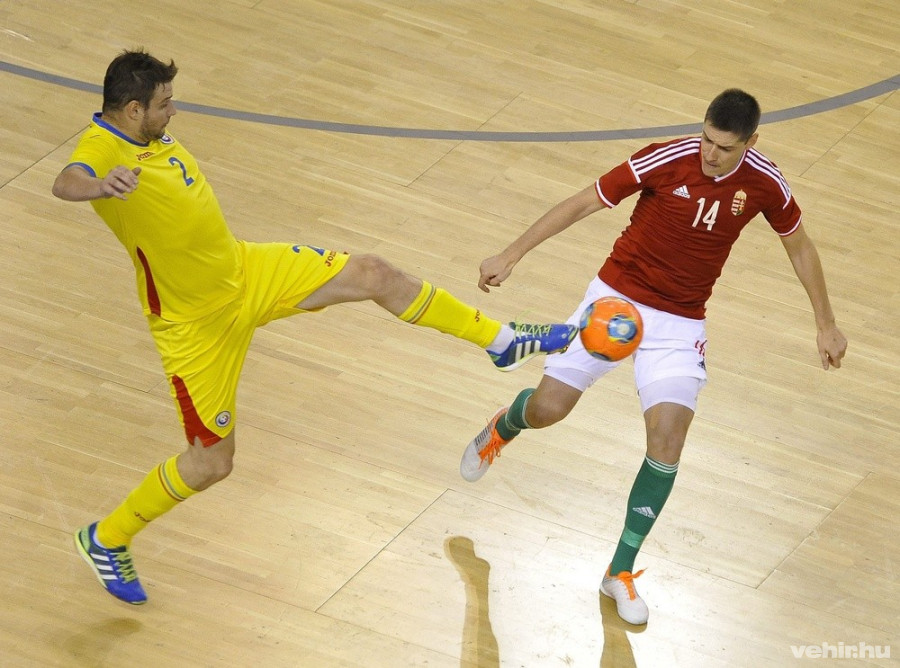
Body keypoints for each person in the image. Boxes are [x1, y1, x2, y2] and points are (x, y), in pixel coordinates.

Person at [53, 49, 577, 605]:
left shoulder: (147, 136)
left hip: (247, 270)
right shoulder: (102, 148)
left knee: (375, 274)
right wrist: (98, 187)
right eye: (164, 104)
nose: (174, 111)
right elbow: (66, 181)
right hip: (196, 325)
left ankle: (501, 342)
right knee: (211, 463)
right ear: (133, 109)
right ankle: (106, 539)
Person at [459, 89, 848, 625]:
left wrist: (825, 323)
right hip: (614, 302)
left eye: (724, 148)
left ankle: (619, 570)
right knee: (549, 410)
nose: (710, 154)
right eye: (707, 139)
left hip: (681, 322)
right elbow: (582, 201)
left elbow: (800, 246)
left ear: (751, 143)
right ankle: (506, 424)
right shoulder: (667, 157)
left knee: (667, 442)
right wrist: (511, 252)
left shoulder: (765, 181)